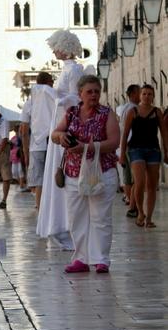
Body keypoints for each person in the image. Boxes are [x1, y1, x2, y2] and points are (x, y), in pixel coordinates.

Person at [52, 75, 119, 274]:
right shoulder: (71, 113)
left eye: (97, 91)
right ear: (80, 93)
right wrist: (62, 136)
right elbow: (55, 134)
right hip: (73, 173)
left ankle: (101, 259)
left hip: (101, 172)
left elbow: (114, 142)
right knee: (76, 217)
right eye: (89, 91)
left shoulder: (107, 114)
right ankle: (81, 258)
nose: (94, 95)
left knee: (101, 217)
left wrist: (85, 147)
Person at [37, 30, 84, 249]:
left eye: (56, 46)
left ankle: (66, 226)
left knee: (62, 171)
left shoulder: (74, 69)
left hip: (65, 123)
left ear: (64, 47)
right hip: (59, 122)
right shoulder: (67, 69)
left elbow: (76, 98)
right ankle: (59, 226)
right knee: (57, 171)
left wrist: (53, 96)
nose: (54, 51)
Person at [119, 84, 168, 229]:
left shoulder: (157, 112)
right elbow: (125, 134)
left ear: (153, 96)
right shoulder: (133, 112)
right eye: (144, 94)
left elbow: (164, 134)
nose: (147, 96)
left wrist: (166, 151)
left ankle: (149, 218)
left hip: (153, 150)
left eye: (150, 94)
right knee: (139, 182)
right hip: (136, 150)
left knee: (152, 185)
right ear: (140, 95)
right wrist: (122, 154)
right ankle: (140, 212)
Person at [20, 71, 55, 210]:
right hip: (53, 143)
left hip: (36, 146)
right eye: (51, 81)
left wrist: (26, 151)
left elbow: (23, 131)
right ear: (48, 83)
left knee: (39, 180)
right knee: (52, 177)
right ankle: (52, 208)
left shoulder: (29, 103)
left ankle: (40, 207)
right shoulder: (55, 98)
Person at [117, 84, 141, 218]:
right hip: (131, 145)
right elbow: (128, 131)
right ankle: (134, 205)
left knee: (128, 178)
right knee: (135, 178)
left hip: (124, 145)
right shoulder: (133, 109)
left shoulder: (124, 108)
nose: (141, 95)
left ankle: (130, 201)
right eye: (139, 92)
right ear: (132, 94)